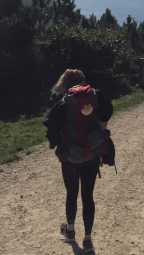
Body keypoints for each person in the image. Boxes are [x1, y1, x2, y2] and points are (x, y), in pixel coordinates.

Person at [44, 69, 113, 255]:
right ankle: (88, 241)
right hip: (91, 153)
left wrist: (57, 142)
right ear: (83, 81)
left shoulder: (64, 102)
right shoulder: (96, 96)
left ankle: (71, 229)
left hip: (69, 156)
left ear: (65, 83)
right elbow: (108, 112)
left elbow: (50, 126)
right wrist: (99, 129)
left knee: (72, 193)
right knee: (88, 196)